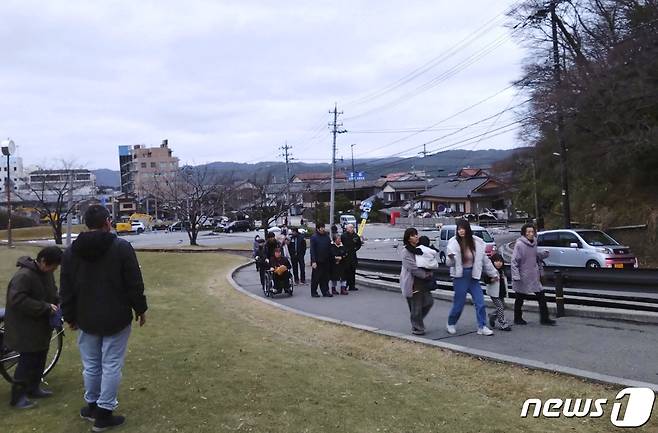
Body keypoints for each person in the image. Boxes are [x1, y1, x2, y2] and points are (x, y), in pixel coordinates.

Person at [60, 204, 148, 431]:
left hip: (85, 316)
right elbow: (133, 283)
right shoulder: (121, 247)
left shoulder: (71, 251)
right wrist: (140, 309)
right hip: (116, 316)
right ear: (107, 222)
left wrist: (68, 315)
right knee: (110, 365)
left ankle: (92, 406)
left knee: (91, 364)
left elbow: (66, 288)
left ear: (86, 224)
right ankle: (104, 413)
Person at [4, 247, 63, 409]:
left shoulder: (46, 273)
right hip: (25, 326)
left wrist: (57, 301)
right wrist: (44, 307)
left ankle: (33, 388)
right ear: (43, 261)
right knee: (27, 361)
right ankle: (17, 397)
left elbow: (52, 291)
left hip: (41, 325)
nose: (54, 269)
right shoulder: (24, 276)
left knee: (40, 356)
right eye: (53, 266)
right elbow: (17, 300)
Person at [446, 219, 498, 336]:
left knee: (480, 302)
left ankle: (482, 326)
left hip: (473, 275)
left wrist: (494, 273)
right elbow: (449, 263)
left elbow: (485, 260)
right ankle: (451, 323)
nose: (461, 231)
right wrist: (452, 258)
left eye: (463, 228)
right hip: (460, 276)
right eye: (459, 229)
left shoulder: (477, 243)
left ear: (467, 229)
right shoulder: (453, 242)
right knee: (459, 304)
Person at [511, 223, 556, 326]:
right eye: (528, 232)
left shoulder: (534, 243)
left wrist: (543, 255)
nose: (531, 234)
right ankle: (517, 318)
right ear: (524, 233)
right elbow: (514, 261)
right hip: (523, 275)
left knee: (541, 297)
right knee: (520, 298)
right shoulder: (519, 244)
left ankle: (545, 318)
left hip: (534, 275)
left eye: (532, 232)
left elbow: (535, 257)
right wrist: (516, 276)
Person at [400, 228, 434, 335]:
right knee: (416, 306)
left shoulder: (420, 249)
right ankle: (418, 327)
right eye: (413, 235)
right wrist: (425, 274)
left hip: (423, 282)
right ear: (408, 238)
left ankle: (416, 320)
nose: (416, 237)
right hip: (412, 282)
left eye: (416, 234)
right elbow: (413, 268)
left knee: (428, 302)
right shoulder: (405, 252)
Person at [484, 253, 512, 331]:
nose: (498, 263)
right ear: (492, 262)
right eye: (496, 261)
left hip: (501, 292)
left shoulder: (502, 271)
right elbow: (486, 280)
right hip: (494, 293)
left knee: (503, 307)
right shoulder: (491, 271)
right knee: (500, 307)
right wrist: (492, 280)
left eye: (500, 261)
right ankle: (503, 323)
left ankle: (492, 316)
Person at [310, 223, 332, 297]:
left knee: (325, 277)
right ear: (318, 229)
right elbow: (312, 250)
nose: (323, 229)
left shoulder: (327, 237)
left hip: (326, 260)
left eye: (324, 227)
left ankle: (325, 291)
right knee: (316, 278)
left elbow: (330, 248)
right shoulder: (314, 237)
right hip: (317, 261)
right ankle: (314, 292)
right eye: (321, 228)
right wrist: (313, 261)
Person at [340, 223, 362, 291]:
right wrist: (342, 252)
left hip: (353, 255)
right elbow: (340, 245)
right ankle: (345, 285)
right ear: (347, 228)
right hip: (346, 256)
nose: (352, 229)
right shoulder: (343, 236)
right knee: (346, 272)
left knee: (352, 271)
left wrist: (356, 248)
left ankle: (352, 286)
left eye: (352, 227)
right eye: (350, 227)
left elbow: (359, 244)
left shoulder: (356, 236)